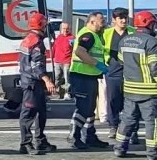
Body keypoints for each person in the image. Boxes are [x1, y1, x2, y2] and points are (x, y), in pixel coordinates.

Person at [113, 11, 157, 160]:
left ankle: (120, 148)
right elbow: (156, 68)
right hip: (149, 91)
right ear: (150, 24)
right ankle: (154, 153)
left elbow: (121, 61)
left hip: (130, 89)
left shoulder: (124, 40)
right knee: (154, 122)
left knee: (127, 120)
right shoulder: (152, 42)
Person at [67, 12, 110, 150]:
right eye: (101, 21)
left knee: (90, 109)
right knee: (83, 108)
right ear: (92, 22)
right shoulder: (88, 35)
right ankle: (74, 136)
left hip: (89, 76)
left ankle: (89, 136)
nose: (103, 23)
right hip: (82, 75)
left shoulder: (94, 35)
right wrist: (97, 64)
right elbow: (80, 52)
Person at [16, 13, 57, 154]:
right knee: (29, 114)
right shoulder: (36, 42)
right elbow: (36, 65)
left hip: (30, 82)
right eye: (45, 25)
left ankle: (40, 141)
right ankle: (26, 143)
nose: (47, 27)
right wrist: (47, 80)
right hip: (33, 83)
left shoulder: (28, 39)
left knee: (40, 113)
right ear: (41, 25)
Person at [101, 8, 134, 139]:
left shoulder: (132, 32)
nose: (124, 20)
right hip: (113, 70)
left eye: (125, 17)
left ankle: (131, 129)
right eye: (120, 18)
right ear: (114, 20)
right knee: (113, 99)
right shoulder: (107, 33)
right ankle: (113, 126)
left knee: (130, 101)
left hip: (131, 71)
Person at [51, 22, 74, 99]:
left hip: (67, 61)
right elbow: (54, 48)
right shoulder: (58, 37)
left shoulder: (72, 38)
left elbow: (75, 50)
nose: (66, 30)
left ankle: (67, 93)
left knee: (67, 79)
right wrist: (52, 57)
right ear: (61, 29)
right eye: (64, 28)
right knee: (57, 77)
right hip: (57, 61)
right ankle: (57, 93)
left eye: (67, 28)